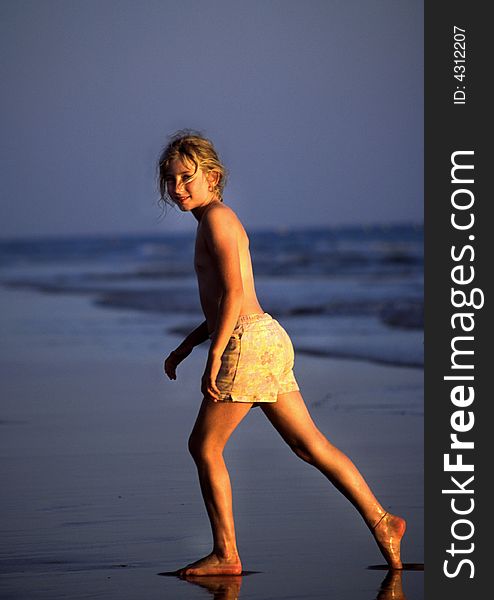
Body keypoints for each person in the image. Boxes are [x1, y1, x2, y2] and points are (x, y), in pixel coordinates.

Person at [158, 131, 406, 576]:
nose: (178, 188)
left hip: (247, 340)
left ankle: (226, 554)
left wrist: (215, 356)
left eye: (186, 178)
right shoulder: (212, 221)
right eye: (171, 180)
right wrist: (187, 345)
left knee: (205, 447)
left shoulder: (217, 219)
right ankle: (383, 520)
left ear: (212, 176)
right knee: (310, 446)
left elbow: (234, 294)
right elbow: (227, 303)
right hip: (262, 336)